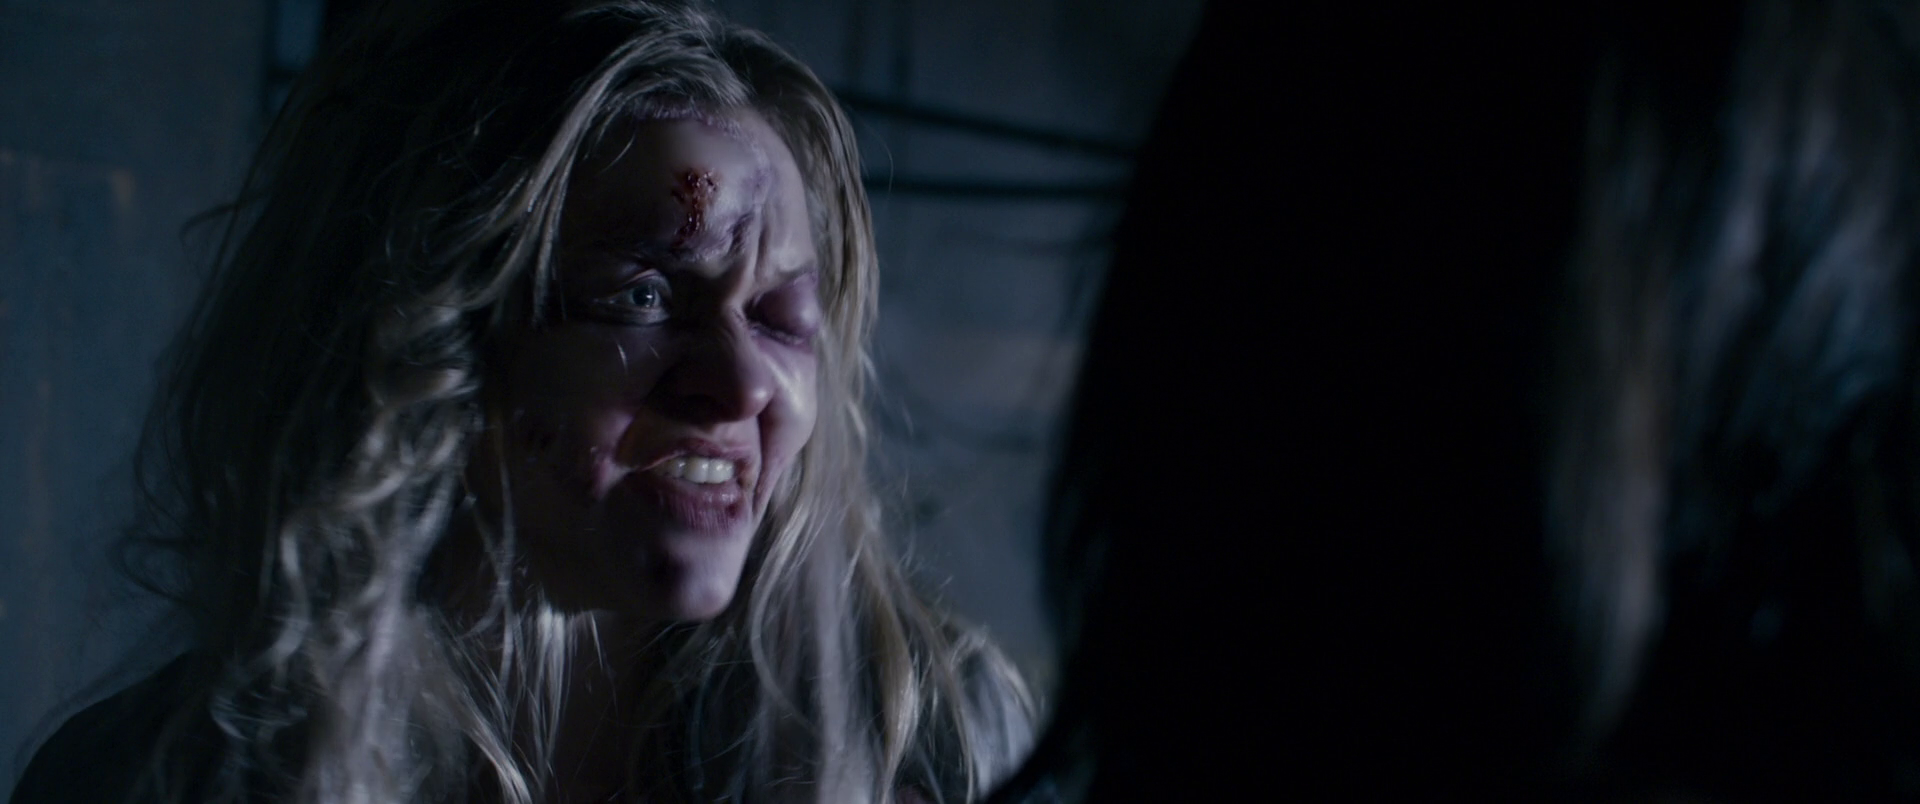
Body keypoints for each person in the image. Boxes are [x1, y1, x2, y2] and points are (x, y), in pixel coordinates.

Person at [10, 2, 1031, 802]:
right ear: (424, 332)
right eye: (641, 296)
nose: (741, 385)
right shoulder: (163, 779)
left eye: (780, 316)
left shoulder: (938, 740)